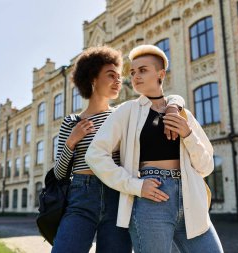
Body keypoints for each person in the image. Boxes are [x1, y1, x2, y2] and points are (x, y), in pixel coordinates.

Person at [85, 44, 224, 253]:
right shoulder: (127, 111)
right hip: (151, 198)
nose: (135, 76)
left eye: (142, 70)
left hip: (191, 199)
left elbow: (206, 167)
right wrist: (135, 185)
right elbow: (94, 154)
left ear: (160, 74)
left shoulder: (182, 114)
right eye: (132, 72)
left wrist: (187, 134)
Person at [51, 45, 185, 253]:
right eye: (111, 75)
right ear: (92, 78)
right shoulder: (71, 122)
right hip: (81, 197)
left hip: (119, 196)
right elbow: (59, 173)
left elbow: (166, 97)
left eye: (119, 76)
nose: (118, 81)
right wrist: (71, 141)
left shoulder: (124, 114)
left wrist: (174, 105)